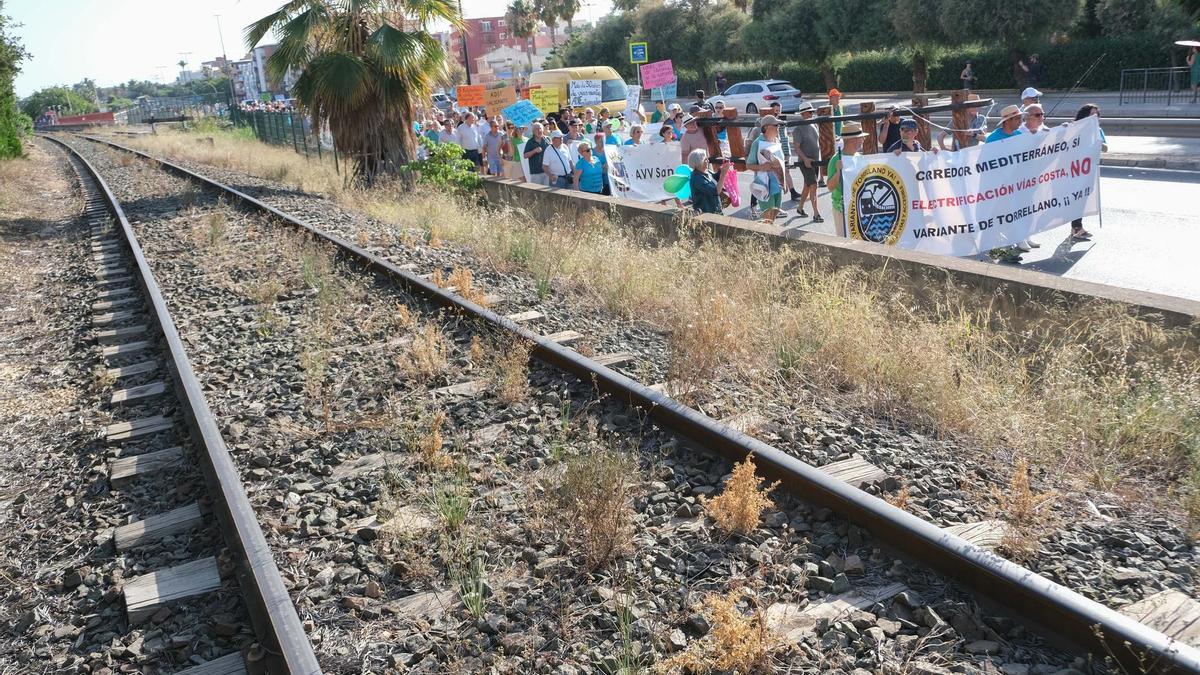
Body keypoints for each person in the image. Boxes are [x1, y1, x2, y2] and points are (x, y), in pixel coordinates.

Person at [985, 105, 1025, 263]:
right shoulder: (993, 139)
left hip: (1016, 185)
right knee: (1000, 217)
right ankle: (1001, 248)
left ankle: (1005, 247)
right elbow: (986, 163)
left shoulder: (1020, 135)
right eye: (1018, 119)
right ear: (1008, 121)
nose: (1020, 122)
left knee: (1010, 217)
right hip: (998, 186)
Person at [1068, 103, 1107, 241]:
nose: (1095, 117)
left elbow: (1105, 148)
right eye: (1092, 114)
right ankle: (1077, 227)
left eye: (1097, 114)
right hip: (1075, 169)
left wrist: (1098, 142)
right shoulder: (1074, 129)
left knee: (1082, 198)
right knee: (1077, 198)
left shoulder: (1098, 130)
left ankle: (1076, 226)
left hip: (1089, 169)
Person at [825, 121, 867, 238]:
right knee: (844, 242)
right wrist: (838, 171)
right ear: (853, 140)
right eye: (861, 138)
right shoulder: (836, 159)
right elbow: (830, 186)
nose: (863, 140)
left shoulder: (859, 157)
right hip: (842, 209)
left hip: (858, 208)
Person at [747, 115, 786, 224]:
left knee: (774, 215)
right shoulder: (757, 143)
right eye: (776, 125)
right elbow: (749, 165)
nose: (778, 127)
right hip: (764, 186)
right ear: (767, 127)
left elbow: (782, 163)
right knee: (768, 219)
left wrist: (785, 182)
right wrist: (762, 167)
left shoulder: (776, 140)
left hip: (777, 185)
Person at [791, 102, 822, 222]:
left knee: (808, 186)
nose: (812, 114)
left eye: (812, 112)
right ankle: (816, 213)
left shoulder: (813, 125)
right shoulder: (798, 128)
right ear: (803, 113)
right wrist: (805, 159)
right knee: (814, 186)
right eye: (810, 112)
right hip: (806, 162)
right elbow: (797, 147)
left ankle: (800, 208)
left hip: (815, 161)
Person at [687, 148, 729, 215]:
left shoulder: (706, 172)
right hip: (706, 213)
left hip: (715, 209)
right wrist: (723, 174)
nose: (708, 161)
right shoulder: (697, 178)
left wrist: (722, 169)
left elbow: (715, 178)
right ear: (699, 162)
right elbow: (716, 191)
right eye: (705, 159)